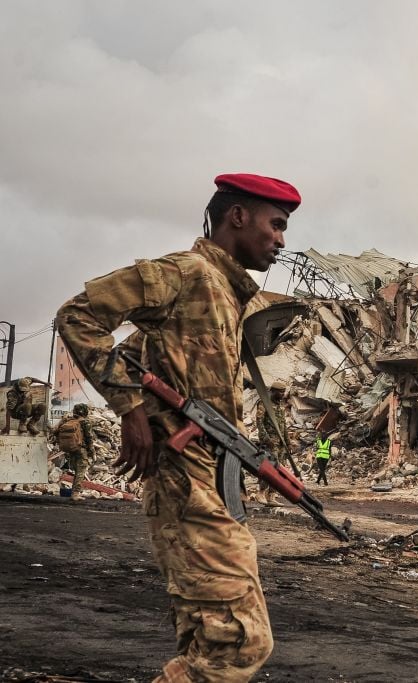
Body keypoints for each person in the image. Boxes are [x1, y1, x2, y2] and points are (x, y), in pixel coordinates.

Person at [56, 172, 301, 681]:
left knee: (209, 635)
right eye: (275, 225)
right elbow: (77, 316)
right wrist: (130, 409)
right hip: (183, 478)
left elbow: (144, 356)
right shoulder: (185, 273)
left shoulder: (228, 295)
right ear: (237, 216)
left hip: (207, 475)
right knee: (238, 643)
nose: (281, 240)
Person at [255, 386, 290, 504]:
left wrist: (287, 442)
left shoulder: (280, 405)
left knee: (279, 469)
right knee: (269, 467)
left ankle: (271, 495)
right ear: (273, 391)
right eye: (280, 391)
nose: (283, 394)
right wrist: (265, 438)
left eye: (283, 391)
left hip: (280, 443)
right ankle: (260, 493)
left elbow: (284, 424)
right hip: (270, 442)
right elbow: (259, 421)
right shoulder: (264, 402)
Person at [56, 403, 95, 500]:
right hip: (81, 449)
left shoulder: (68, 421)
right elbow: (89, 438)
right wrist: (92, 452)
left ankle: (74, 493)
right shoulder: (85, 422)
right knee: (80, 472)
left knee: (77, 471)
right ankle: (75, 494)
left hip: (71, 449)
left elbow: (55, 431)